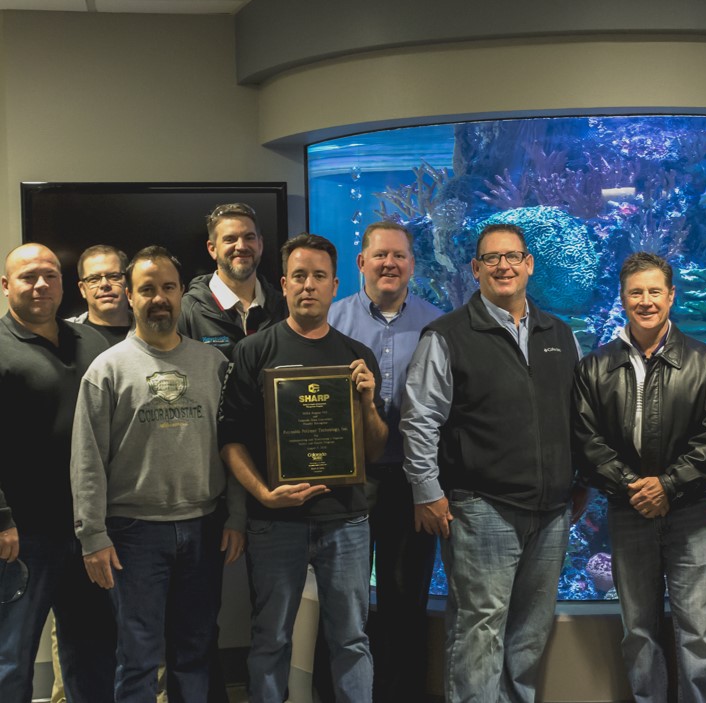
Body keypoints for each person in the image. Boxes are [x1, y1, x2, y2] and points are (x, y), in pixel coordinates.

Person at [401, 223, 581, 703]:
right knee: (479, 630)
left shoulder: (559, 334)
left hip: (552, 512)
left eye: (513, 256)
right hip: (483, 509)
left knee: (529, 632)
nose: (504, 265)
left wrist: (580, 482)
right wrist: (428, 492)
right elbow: (420, 420)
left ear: (529, 265)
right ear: (476, 269)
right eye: (491, 258)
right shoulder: (447, 335)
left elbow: (578, 416)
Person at [71, 245, 245, 703]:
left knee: (195, 651)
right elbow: (86, 458)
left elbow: (234, 448)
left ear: (179, 295)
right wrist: (92, 535)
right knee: (138, 656)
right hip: (132, 535)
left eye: (168, 287)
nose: (159, 298)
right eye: (147, 289)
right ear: (130, 296)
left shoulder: (213, 365)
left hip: (203, 527)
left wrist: (237, 517)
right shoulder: (106, 370)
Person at [218, 233, 388, 703]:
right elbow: (230, 439)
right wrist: (262, 495)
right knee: (271, 637)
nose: (308, 285)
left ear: (336, 285)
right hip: (275, 522)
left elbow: (375, 449)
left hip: (347, 519)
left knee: (352, 639)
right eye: (298, 276)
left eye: (318, 276)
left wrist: (369, 403)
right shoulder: (254, 352)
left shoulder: (357, 357)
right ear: (284, 284)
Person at [573, 252, 706, 703]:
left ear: (671, 296)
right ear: (623, 298)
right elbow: (587, 441)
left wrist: (667, 486)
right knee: (639, 632)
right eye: (636, 292)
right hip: (627, 513)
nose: (646, 301)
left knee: (699, 633)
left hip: (690, 514)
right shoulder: (595, 367)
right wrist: (632, 486)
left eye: (654, 291)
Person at [327, 221, 442, 703]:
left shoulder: (438, 323)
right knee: (344, 601)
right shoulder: (332, 321)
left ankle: (401, 694)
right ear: (361, 263)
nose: (389, 264)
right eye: (379, 256)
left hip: (412, 481)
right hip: (349, 481)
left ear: (412, 264)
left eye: (398, 256)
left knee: (405, 599)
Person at [0, 243, 116, 703]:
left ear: (65, 284)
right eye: (28, 277)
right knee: (13, 654)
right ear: (7, 286)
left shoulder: (93, 343)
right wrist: (2, 517)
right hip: (24, 535)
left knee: (93, 649)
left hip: (89, 530)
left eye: (50, 275)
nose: (41, 284)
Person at [179, 202, 286, 360]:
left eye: (249, 237)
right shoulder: (187, 311)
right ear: (212, 249)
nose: (241, 246)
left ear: (260, 245)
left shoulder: (282, 308)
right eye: (230, 239)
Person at [68, 244, 132, 345]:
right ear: (82, 289)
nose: (104, 284)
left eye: (114, 276)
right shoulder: (62, 334)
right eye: (94, 279)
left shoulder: (152, 333)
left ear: (128, 282)